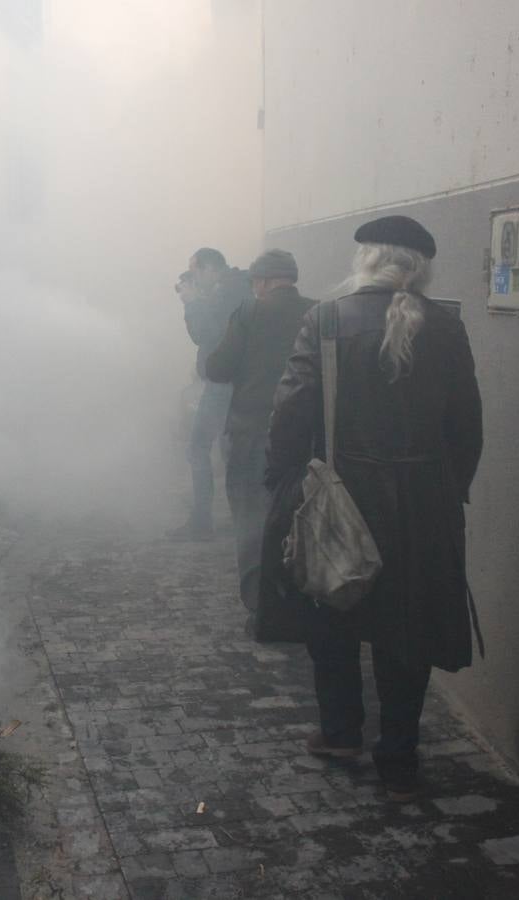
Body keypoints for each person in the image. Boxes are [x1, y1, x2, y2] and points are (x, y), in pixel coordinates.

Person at [266, 215, 483, 801]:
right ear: (420, 267)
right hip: (424, 506)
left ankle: (340, 732)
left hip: (344, 495)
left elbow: (292, 411)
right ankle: (399, 752)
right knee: (406, 631)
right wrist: (446, 490)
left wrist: (282, 484)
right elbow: (466, 427)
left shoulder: (327, 320)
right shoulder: (446, 326)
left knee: (333, 613)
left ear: (366, 261)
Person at [204, 249, 314, 610]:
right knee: (301, 519)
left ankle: (262, 606)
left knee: (252, 520)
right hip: (307, 439)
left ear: (263, 282)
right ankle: (299, 599)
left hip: (252, 433)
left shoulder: (250, 312)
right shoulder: (320, 313)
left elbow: (217, 368)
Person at [166, 248, 250, 540]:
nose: (193, 278)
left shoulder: (224, 293)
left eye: (195, 271)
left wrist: (192, 304)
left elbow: (206, 334)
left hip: (223, 384)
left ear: (209, 268)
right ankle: (243, 520)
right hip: (237, 382)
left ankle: (202, 523)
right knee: (232, 452)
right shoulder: (235, 288)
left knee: (198, 448)